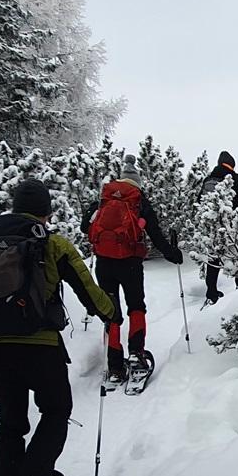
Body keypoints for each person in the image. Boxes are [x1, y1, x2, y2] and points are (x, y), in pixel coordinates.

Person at [0, 179, 117, 476]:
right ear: (46, 211)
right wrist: (110, 312)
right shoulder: (52, 244)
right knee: (55, 410)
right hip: (41, 346)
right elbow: (88, 289)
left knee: (10, 423)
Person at [82, 159, 185, 383]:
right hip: (130, 264)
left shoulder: (104, 198)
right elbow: (156, 235)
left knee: (111, 311)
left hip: (104, 263)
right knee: (136, 306)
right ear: (138, 183)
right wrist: (172, 254)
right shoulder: (139, 201)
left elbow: (84, 226)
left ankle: (115, 365)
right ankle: (137, 354)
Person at [197, 150, 238, 304]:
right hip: (232, 227)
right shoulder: (237, 179)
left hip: (212, 227)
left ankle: (211, 293)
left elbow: (199, 201)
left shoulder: (208, 179)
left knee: (213, 260)